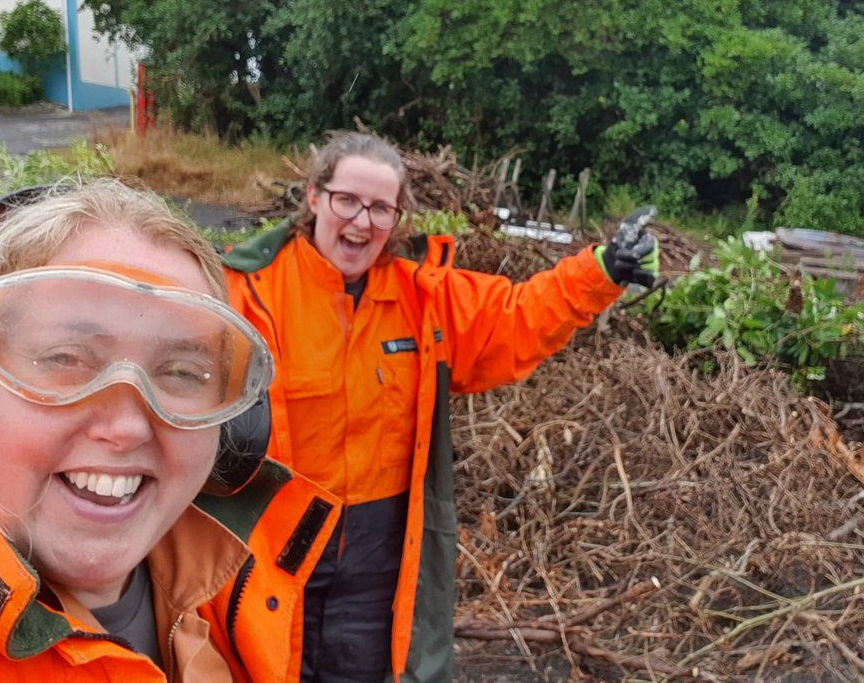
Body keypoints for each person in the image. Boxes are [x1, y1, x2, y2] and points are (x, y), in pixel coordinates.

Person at [222, 131, 659, 682]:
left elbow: (515, 316)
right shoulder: (246, 292)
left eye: (381, 209)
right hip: (270, 548)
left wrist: (601, 272)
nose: (361, 223)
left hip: (376, 554)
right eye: (347, 201)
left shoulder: (422, 297)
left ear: (397, 217)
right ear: (314, 197)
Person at [0, 179, 341, 681]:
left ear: (233, 427)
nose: (127, 427)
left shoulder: (235, 590)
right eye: (66, 359)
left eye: (180, 372)